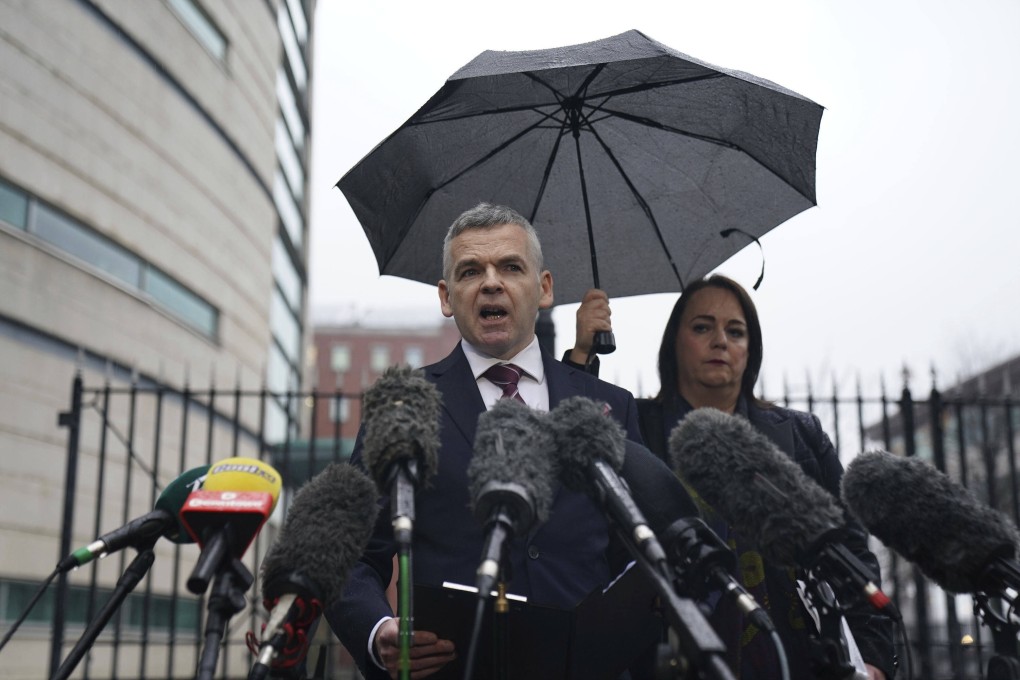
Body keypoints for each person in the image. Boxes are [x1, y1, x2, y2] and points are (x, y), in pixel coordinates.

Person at [325, 203, 693, 680]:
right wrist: (376, 632)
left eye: (511, 267)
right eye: (471, 270)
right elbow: (350, 555)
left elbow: (638, 565)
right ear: (446, 296)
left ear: (543, 289)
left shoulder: (609, 407)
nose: (491, 282)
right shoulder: (402, 406)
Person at [568, 275, 896, 680]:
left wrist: (874, 659)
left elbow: (850, 554)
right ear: (674, 343)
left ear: (751, 350)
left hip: (794, 659)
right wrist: (582, 355)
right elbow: (576, 456)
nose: (720, 340)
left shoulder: (798, 436)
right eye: (702, 327)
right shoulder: (637, 428)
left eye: (735, 331)